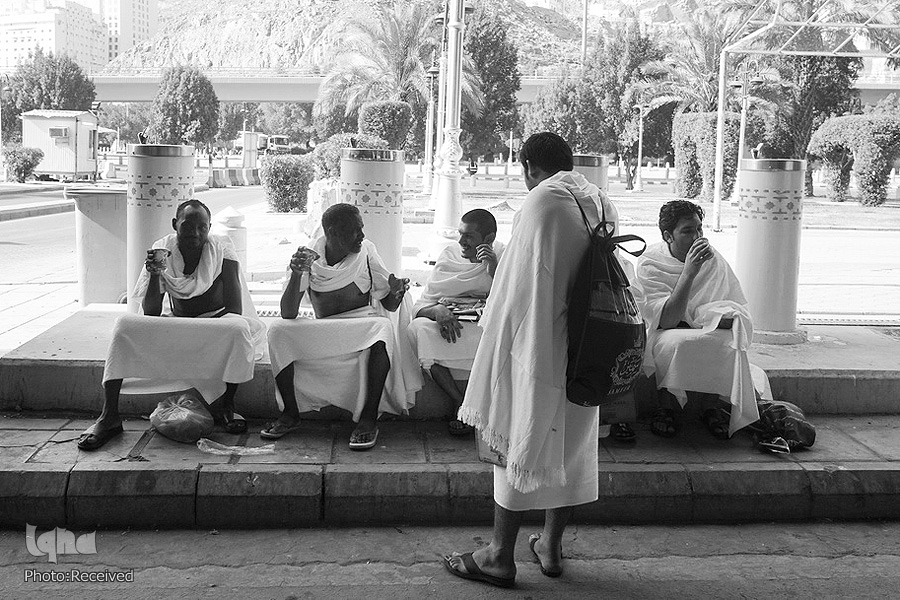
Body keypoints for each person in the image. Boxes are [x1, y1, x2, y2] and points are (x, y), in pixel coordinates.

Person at [442, 132, 619, 587]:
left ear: (528, 167)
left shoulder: (541, 200)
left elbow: (515, 285)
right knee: (571, 445)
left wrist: (494, 345)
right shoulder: (600, 200)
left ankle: (499, 555)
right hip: (588, 348)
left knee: (514, 435)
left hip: (538, 346)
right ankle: (550, 546)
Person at [77, 199, 266, 451]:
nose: (195, 233)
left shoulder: (222, 251)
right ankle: (109, 416)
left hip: (216, 325)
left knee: (238, 328)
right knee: (123, 325)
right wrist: (155, 273)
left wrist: (203, 329)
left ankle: (227, 405)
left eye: (202, 227)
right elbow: (151, 312)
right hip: (177, 323)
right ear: (175, 224)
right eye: (188, 226)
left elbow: (234, 309)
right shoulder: (162, 251)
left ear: (209, 228)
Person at [262, 203, 422, 450]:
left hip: (361, 328)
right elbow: (288, 313)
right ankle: (290, 414)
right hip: (325, 330)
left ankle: (368, 419)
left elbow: (389, 305)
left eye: (362, 228)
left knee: (383, 328)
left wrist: (396, 291)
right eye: (355, 230)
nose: (362, 236)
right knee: (277, 330)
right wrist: (296, 274)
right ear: (333, 232)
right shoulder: (308, 257)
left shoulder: (367, 252)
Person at [632, 200, 765, 440]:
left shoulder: (712, 259)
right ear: (668, 236)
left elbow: (730, 301)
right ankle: (666, 408)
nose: (697, 237)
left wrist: (724, 317)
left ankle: (711, 407)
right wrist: (689, 272)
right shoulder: (651, 262)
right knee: (678, 343)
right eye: (687, 231)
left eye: (699, 229)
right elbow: (667, 319)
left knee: (727, 342)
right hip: (666, 330)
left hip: (704, 325)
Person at [407, 209, 503, 436]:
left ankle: (480, 405)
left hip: (484, 327)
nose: (461, 241)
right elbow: (420, 307)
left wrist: (494, 270)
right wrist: (437, 310)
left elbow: (516, 302)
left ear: (489, 239)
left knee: (501, 334)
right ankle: (459, 401)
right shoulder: (449, 255)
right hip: (449, 326)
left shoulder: (505, 255)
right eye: (460, 234)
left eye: (469, 236)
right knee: (417, 330)